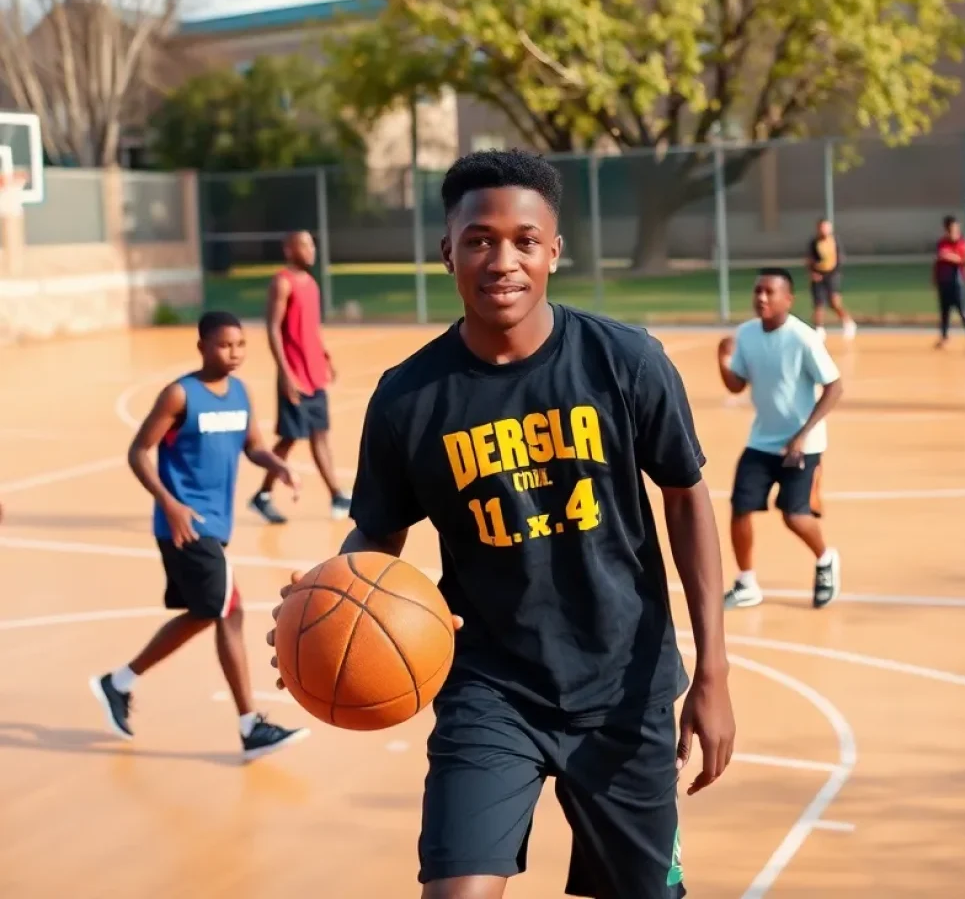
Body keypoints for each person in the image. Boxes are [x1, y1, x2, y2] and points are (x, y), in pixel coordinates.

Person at [267, 149, 736, 899]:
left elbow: (685, 497)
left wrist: (712, 672)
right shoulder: (408, 397)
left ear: (555, 250)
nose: (502, 259)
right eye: (480, 239)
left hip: (623, 685)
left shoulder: (625, 362)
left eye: (524, 239)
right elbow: (377, 539)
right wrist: (324, 602)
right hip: (489, 686)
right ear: (447, 249)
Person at [90, 311, 310, 762]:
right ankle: (250, 727)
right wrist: (169, 503)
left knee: (205, 612)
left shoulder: (241, 393)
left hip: (217, 525)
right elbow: (138, 452)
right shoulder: (180, 395)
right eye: (224, 345)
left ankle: (119, 682)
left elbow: (252, 447)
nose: (233, 353)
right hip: (186, 526)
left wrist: (278, 465)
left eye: (240, 345)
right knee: (227, 610)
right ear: (202, 346)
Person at [717, 268, 844, 611]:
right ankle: (746, 583)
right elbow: (736, 385)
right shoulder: (746, 334)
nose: (761, 298)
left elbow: (834, 386)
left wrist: (801, 437)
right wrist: (723, 359)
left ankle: (825, 559)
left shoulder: (803, 338)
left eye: (769, 292)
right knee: (740, 509)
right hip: (762, 440)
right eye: (757, 291)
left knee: (794, 515)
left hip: (803, 443)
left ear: (788, 299)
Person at [249, 230, 351, 524]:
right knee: (290, 438)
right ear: (289, 249)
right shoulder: (283, 282)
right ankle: (263, 495)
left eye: (312, 244)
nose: (311, 249)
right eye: (304, 244)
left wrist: (325, 355)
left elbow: (310, 328)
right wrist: (285, 373)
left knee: (319, 434)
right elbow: (272, 329)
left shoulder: (312, 284)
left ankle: (335, 494)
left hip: (313, 373)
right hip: (293, 376)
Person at [933, 215, 965, 354]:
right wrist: (957, 258)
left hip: (957, 284)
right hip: (943, 282)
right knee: (944, 312)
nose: (955, 232)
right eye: (952, 229)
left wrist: (955, 257)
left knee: (964, 312)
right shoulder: (942, 243)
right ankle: (944, 337)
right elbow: (941, 256)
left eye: (956, 229)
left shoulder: (962, 243)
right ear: (946, 230)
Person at [807, 218, 856, 340]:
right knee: (819, 304)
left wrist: (836, 273)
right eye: (821, 227)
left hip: (832, 275)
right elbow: (809, 260)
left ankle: (848, 322)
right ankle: (819, 329)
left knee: (834, 302)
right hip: (818, 275)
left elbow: (839, 258)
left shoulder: (835, 241)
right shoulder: (814, 243)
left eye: (826, 227)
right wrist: (812, 272)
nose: (824, 230)